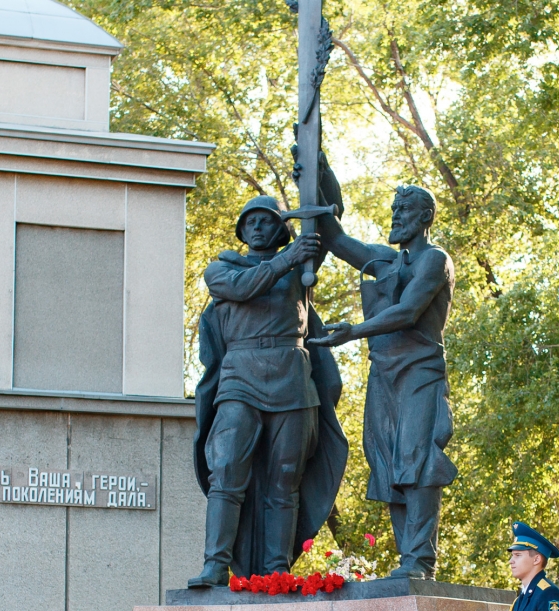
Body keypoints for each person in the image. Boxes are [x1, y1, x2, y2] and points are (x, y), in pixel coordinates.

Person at [188, 197, 347, 586]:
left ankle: (277, 568)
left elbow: (331, 217)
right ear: (242, 230)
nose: (258, 227)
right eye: (251, 222)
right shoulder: (221, 269)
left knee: (285, 479)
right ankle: (215, 564)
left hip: (293, 378)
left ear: (281, 229)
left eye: (267, 221)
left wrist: (317, 168)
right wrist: (286, 258)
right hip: (239, 378)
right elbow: (243, 288)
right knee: (226, 470)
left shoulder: (302, 265)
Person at [307, 184, 457, 579]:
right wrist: (320, 176)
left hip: (420, 372)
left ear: (425, 216)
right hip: (384, 374)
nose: (395, 215)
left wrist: (353, 331)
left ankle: (420, 560)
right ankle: (407, 557)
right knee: (388, 464)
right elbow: (337, 239)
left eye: (404, 209)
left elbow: (408, 312)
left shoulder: (435, 260)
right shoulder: (386, 261)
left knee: (417, 461)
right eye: (394, 208)